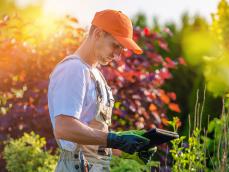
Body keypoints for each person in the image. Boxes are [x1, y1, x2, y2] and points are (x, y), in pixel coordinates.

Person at [47, 9, 156, 172]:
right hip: (76, 167)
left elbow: (92, 138)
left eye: (122, 50)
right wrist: (114, 139)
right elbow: (64, 127)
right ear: (98, 34)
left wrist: (126, 146)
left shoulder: (96, 75)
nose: (118, 55)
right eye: (115, 46)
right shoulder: (73, 69)